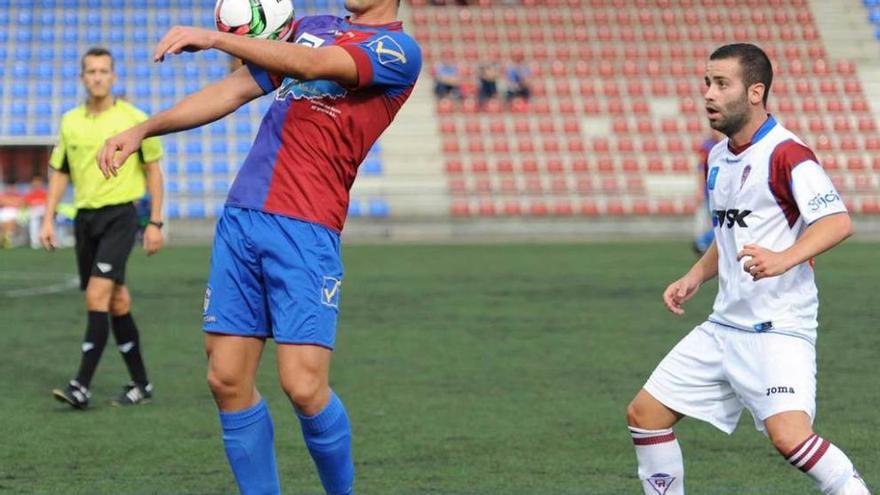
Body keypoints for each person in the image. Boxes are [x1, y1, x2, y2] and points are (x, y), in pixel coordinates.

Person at [97, 1, 420, 493]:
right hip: (243, 214)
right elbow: (233, 90)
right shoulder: (312, 27)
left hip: (306, 225)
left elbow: (313, 66)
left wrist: (216, 37)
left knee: (304, 385)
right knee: (225, 378)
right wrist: (143, 129)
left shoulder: (398, 50)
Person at [625, 44, 871, 495]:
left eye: (722, 84)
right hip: (724, 325)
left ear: (755, 92)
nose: (708, 94)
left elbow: (838, 222)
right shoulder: (719, 157)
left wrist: (783, 259)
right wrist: (695, 276)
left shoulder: (788, 154)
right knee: (645, 415)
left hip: (777, 328)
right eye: (706, 83)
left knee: (791, 439)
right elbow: (729, 233)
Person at [41, 47, 165, 409]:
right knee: (116, 300)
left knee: (96, 296)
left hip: (120, 217)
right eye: (91, 71)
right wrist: (48, 217)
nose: (97, 77)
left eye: (103, 71)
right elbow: (60, 171)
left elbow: (153, 170)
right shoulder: (70, 122)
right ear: (83, 77)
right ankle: (140, 384)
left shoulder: (135, 119)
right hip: (85, 220)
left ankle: (81, 385)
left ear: (113, 77)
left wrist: (155, 221)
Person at [692, 131, 722, 254]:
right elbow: (700, 168)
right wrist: (700, 190)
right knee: (717, 221)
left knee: (721, 222)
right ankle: (702, 242)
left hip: (718, 191)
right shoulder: (707, 146)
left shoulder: (723, 145)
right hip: (709, 191)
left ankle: (704, 243)